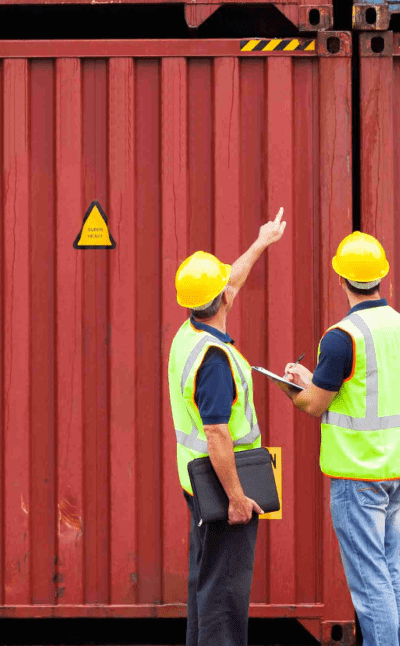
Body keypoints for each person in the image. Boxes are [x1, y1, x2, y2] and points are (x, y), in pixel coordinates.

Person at [279, 231, 400, 646]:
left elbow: (314, 405)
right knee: (389, 570)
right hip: (397, 470)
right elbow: (360, 387)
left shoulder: (342, 336)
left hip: (358, 476)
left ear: (340, 280)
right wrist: (314, 379)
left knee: (369, 580)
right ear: (383, 279)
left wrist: (292, 387)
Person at [167, 208, 287, 646]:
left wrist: (261, 242)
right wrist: (238, 499)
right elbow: (218, 433)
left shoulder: (189, 334)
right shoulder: (214, 362)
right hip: (224, 485)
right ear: (223, 300)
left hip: (197, 481)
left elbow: (229, 281)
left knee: (206, 584)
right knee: (225, 595)